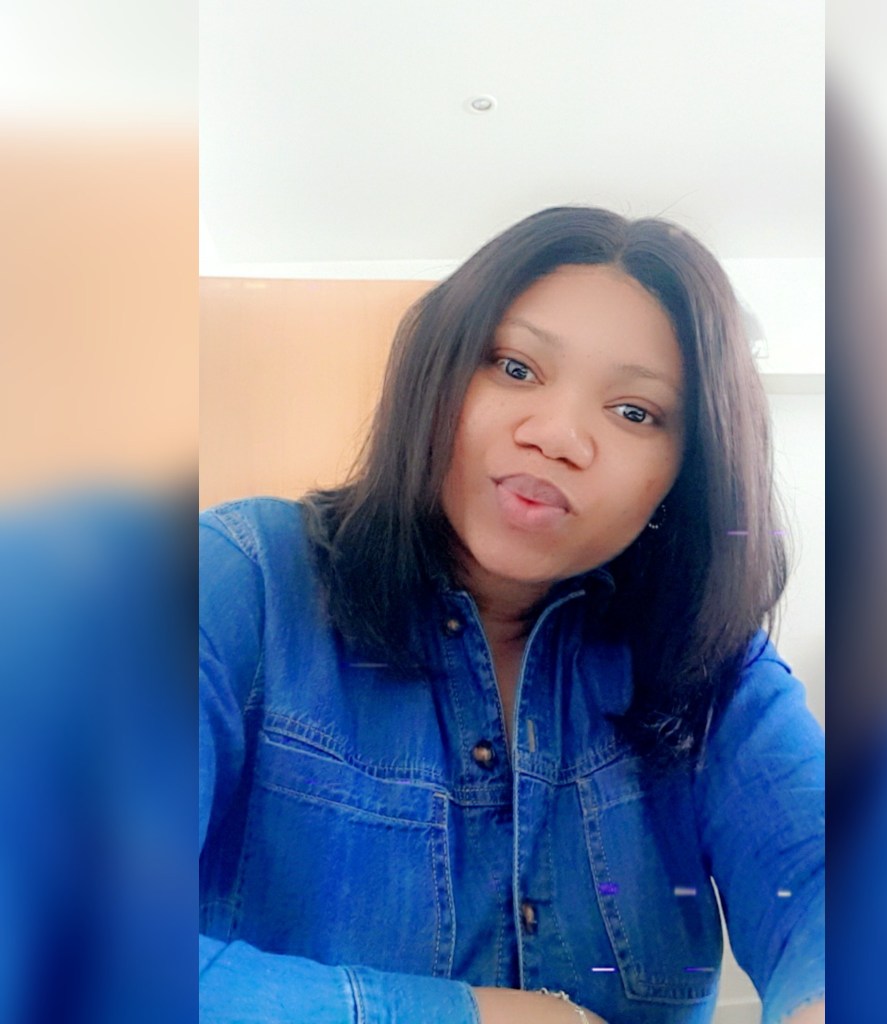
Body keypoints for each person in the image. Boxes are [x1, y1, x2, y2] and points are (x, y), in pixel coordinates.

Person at [199, 207, 825, 1023]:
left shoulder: (709, 663)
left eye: (635, 412)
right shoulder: (240, 579)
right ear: (438, 373)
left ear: (684, 474)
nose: (558, 436)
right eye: (516, 367)